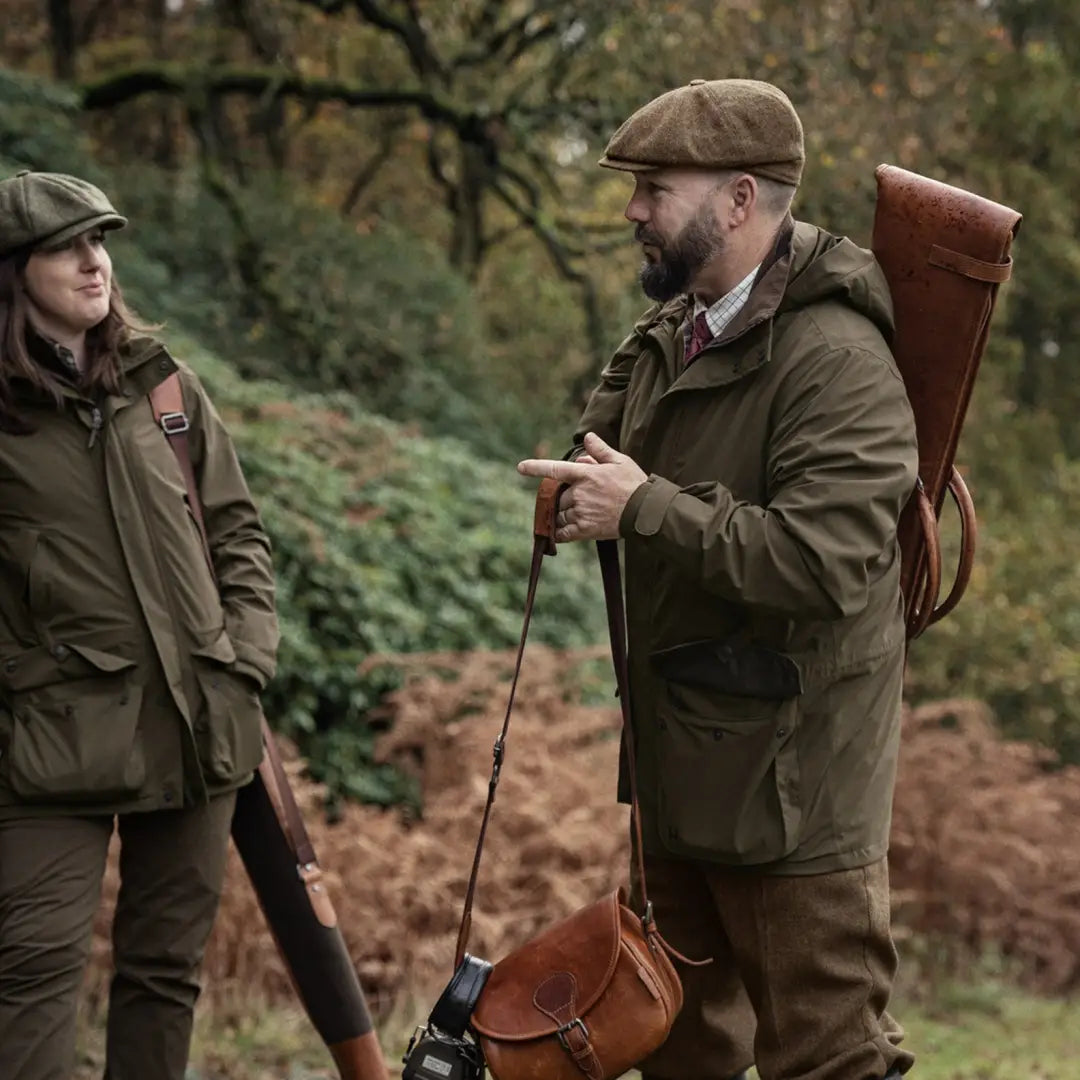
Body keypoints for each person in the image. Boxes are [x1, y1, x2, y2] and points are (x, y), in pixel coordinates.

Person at [518, 80, 919, 1080]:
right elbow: (608, 458)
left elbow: (822, 562)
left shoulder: (838, 357)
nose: (633, 211)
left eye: (656, 188)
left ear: (740, 200)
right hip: (677, 770)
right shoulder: (671, 335)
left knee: (828, 1058)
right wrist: (575, 491)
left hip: (794, 788)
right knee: (677, 1053)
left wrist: (641, 508)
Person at [0, 170, 279, 1080]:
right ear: (14, 271)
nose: (96, 262)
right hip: (46, 743)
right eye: (67, 247)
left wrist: (244, 660)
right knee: (32, 975)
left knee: (164, 973)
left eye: (102, 241)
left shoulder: (165, 389)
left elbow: (237, 531)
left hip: (198, 721)